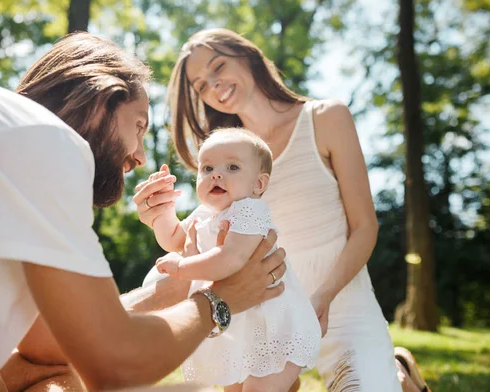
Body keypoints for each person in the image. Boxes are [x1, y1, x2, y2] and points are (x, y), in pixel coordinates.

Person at [0, 32, 288, 392]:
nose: (140, 156)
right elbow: (115, 366)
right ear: (101, 98)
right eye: (139, 125)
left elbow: (48, 344)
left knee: (50, 374)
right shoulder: (41, 139)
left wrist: (165, 292)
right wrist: (220, 301)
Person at [137, 28, 431, 392]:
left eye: (218, 67)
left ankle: (397, 376)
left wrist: (322, 297)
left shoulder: (326, 118)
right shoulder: (227, 155)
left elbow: (365, 227)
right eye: (200, 85)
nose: (214, 85)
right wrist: (160, 216)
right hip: (265, 314)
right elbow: (207, 239)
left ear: (248, 56)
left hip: (341, 306)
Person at [146, 128, 321, 391]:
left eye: (232, 167)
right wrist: (163, 211)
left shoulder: (250, 210)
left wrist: (182, 267)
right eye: (207, 168)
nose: (216, 174)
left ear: (258, 184)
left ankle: (282, 381)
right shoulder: (203, 212)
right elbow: (173, 238)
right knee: (233, 386)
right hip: (237, 323)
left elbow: (230, 259)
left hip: (273, 324)